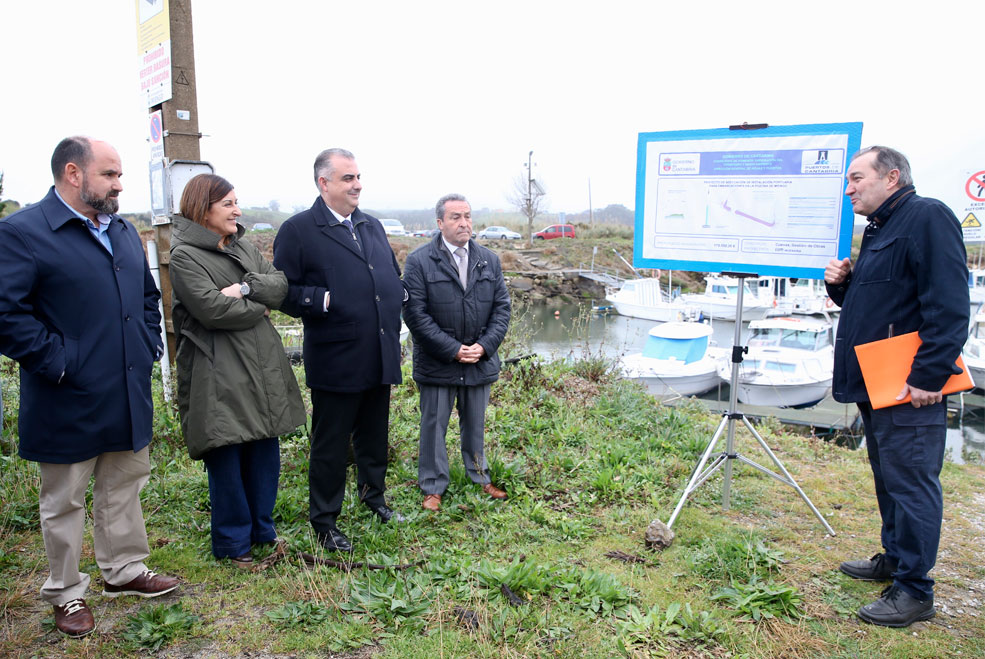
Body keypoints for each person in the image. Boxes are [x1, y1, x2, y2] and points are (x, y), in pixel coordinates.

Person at [0, 137, 178, 638]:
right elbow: (6, 312)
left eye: (119, 175)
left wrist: (146, 346)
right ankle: (66, 591)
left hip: (125, 389)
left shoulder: (121, 230)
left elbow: (147, 296)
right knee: (64, 500)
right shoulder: (24, 232)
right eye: (110, 175)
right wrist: (58, 362)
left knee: (124, 484)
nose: (119, 184)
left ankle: (123, 570)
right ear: (73, 173)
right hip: (66, 394)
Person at [825, 146, 970, 628]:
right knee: (890, 479)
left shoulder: (927, 216)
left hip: (911, 387)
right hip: (878, 383)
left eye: (856, 178)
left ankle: (914, 591)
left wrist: (930, 376)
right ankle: (894, 558)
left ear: (891, 177)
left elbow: (948, 305)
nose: (849, 189)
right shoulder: (881, 229)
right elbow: (885, 305)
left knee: (912, 486)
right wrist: (841, 285)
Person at [169, 174, 306, 568]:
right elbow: (212, 311)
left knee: (264, 450)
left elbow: (278, 286)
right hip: (220, 373)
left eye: (236, 202)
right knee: (227, 453)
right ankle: (232, 542)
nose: (237, 210)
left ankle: (262, 530)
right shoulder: (185, 256)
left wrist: (246, 289)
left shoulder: (242, 246)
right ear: (203, 208)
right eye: (228, 203)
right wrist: (257, 306)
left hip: (261, 366)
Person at [273, 148, 404, 552]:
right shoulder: (298, 230)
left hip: (378, 349)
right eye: (348, 178)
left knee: (374, 434)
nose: (357, 184)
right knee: (331, 443)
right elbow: (283, 291)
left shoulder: (371, 226)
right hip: (336, 356)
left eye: (358, 176)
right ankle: (325, 520)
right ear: (323, 183)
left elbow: (388, 276)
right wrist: (323, 300)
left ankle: (373, 497)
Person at [402, 194, 512, 511]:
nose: (464, 223)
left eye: (467, 216)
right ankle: (433, 487)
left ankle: (480, 477)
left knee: (475, 424)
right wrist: (452, 350)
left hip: (479, 361)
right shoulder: (419, 261)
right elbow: (415, 314)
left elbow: (502, 309)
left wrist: (485, 346)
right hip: (438, 362)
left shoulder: (488, 259)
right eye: (455, 217)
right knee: (433, 425)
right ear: (440, 223)